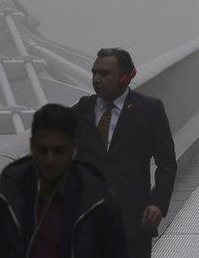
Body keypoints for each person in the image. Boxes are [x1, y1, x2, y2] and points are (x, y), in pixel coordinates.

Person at [0, 103, 128, 258]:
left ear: (74, 149)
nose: (49, 160)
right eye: (42, 150)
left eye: (59, 151)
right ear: (32, 147)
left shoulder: (102, 204)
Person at [73, 48, 177, 258]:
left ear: (125, 77)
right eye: (94, 73)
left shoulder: (149, 110)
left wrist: (157, 203)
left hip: (133, 223)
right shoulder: (81, 111)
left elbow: (166, 163)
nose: (96, 79)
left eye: (104, 74)